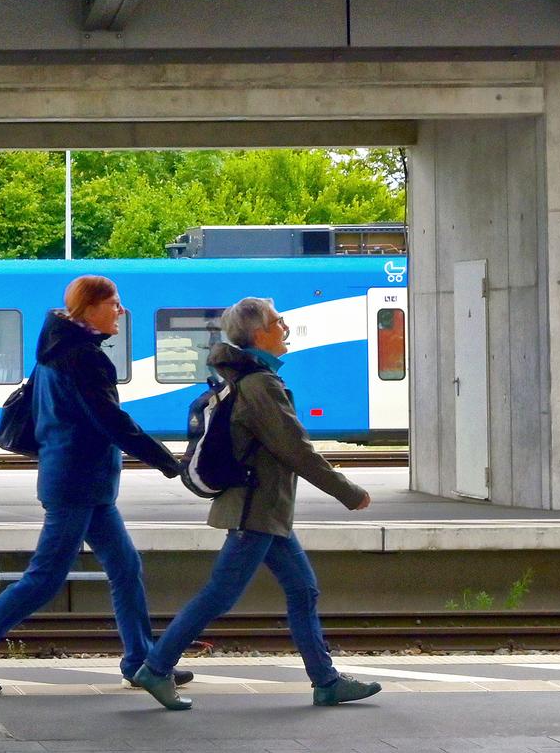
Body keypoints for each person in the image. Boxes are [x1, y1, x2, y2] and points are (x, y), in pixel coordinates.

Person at [130, 296, 381, 710]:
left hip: (266, 511)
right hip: (255, 513)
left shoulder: (251, 378)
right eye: (278, 322)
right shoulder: (261, 385)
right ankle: (156, 669)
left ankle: (326, 681)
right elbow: (297, 450)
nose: (285, 328)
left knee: (303, 590)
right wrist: (349, 493)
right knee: (220, 596)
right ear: (259, 333)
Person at [0, 275, 185, 693]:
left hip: (81, 482)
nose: (121, 312)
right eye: (114, 304)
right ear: (90, 309)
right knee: (46, 577)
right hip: (76, 483)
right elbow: (111, 421)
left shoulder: (54, 351)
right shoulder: (85, 358)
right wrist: (165, 459)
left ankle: (143, 661)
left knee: (125, 567)